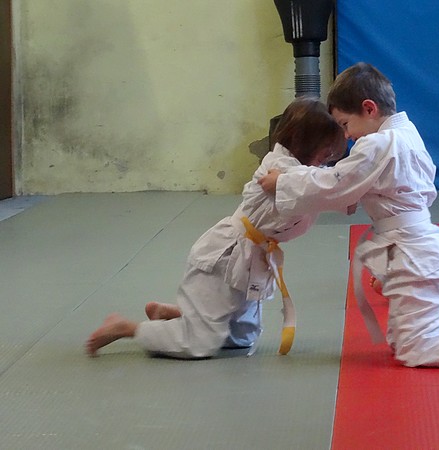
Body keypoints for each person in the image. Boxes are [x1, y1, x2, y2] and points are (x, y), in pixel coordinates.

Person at [258, 62, 439, 371]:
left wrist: (282, 180)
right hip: (423, 249)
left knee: (414, 350)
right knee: (400, 339)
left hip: (415, 256)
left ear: (369, 108)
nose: (346, 135)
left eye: (345, 124)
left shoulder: (377, 144)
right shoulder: (406, 132)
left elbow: (336, 183)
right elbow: (350, 185)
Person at [86, 97, 347, 358]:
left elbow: (320, 184)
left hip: (249, 262)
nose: (328, 159)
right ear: (304, 143)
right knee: (200, 344)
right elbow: (316, 188)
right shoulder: (282, 171)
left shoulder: (300, 170)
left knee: (241, 339)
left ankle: (176, 314)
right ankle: (126, 328)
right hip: (224, 259)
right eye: (326, 152)